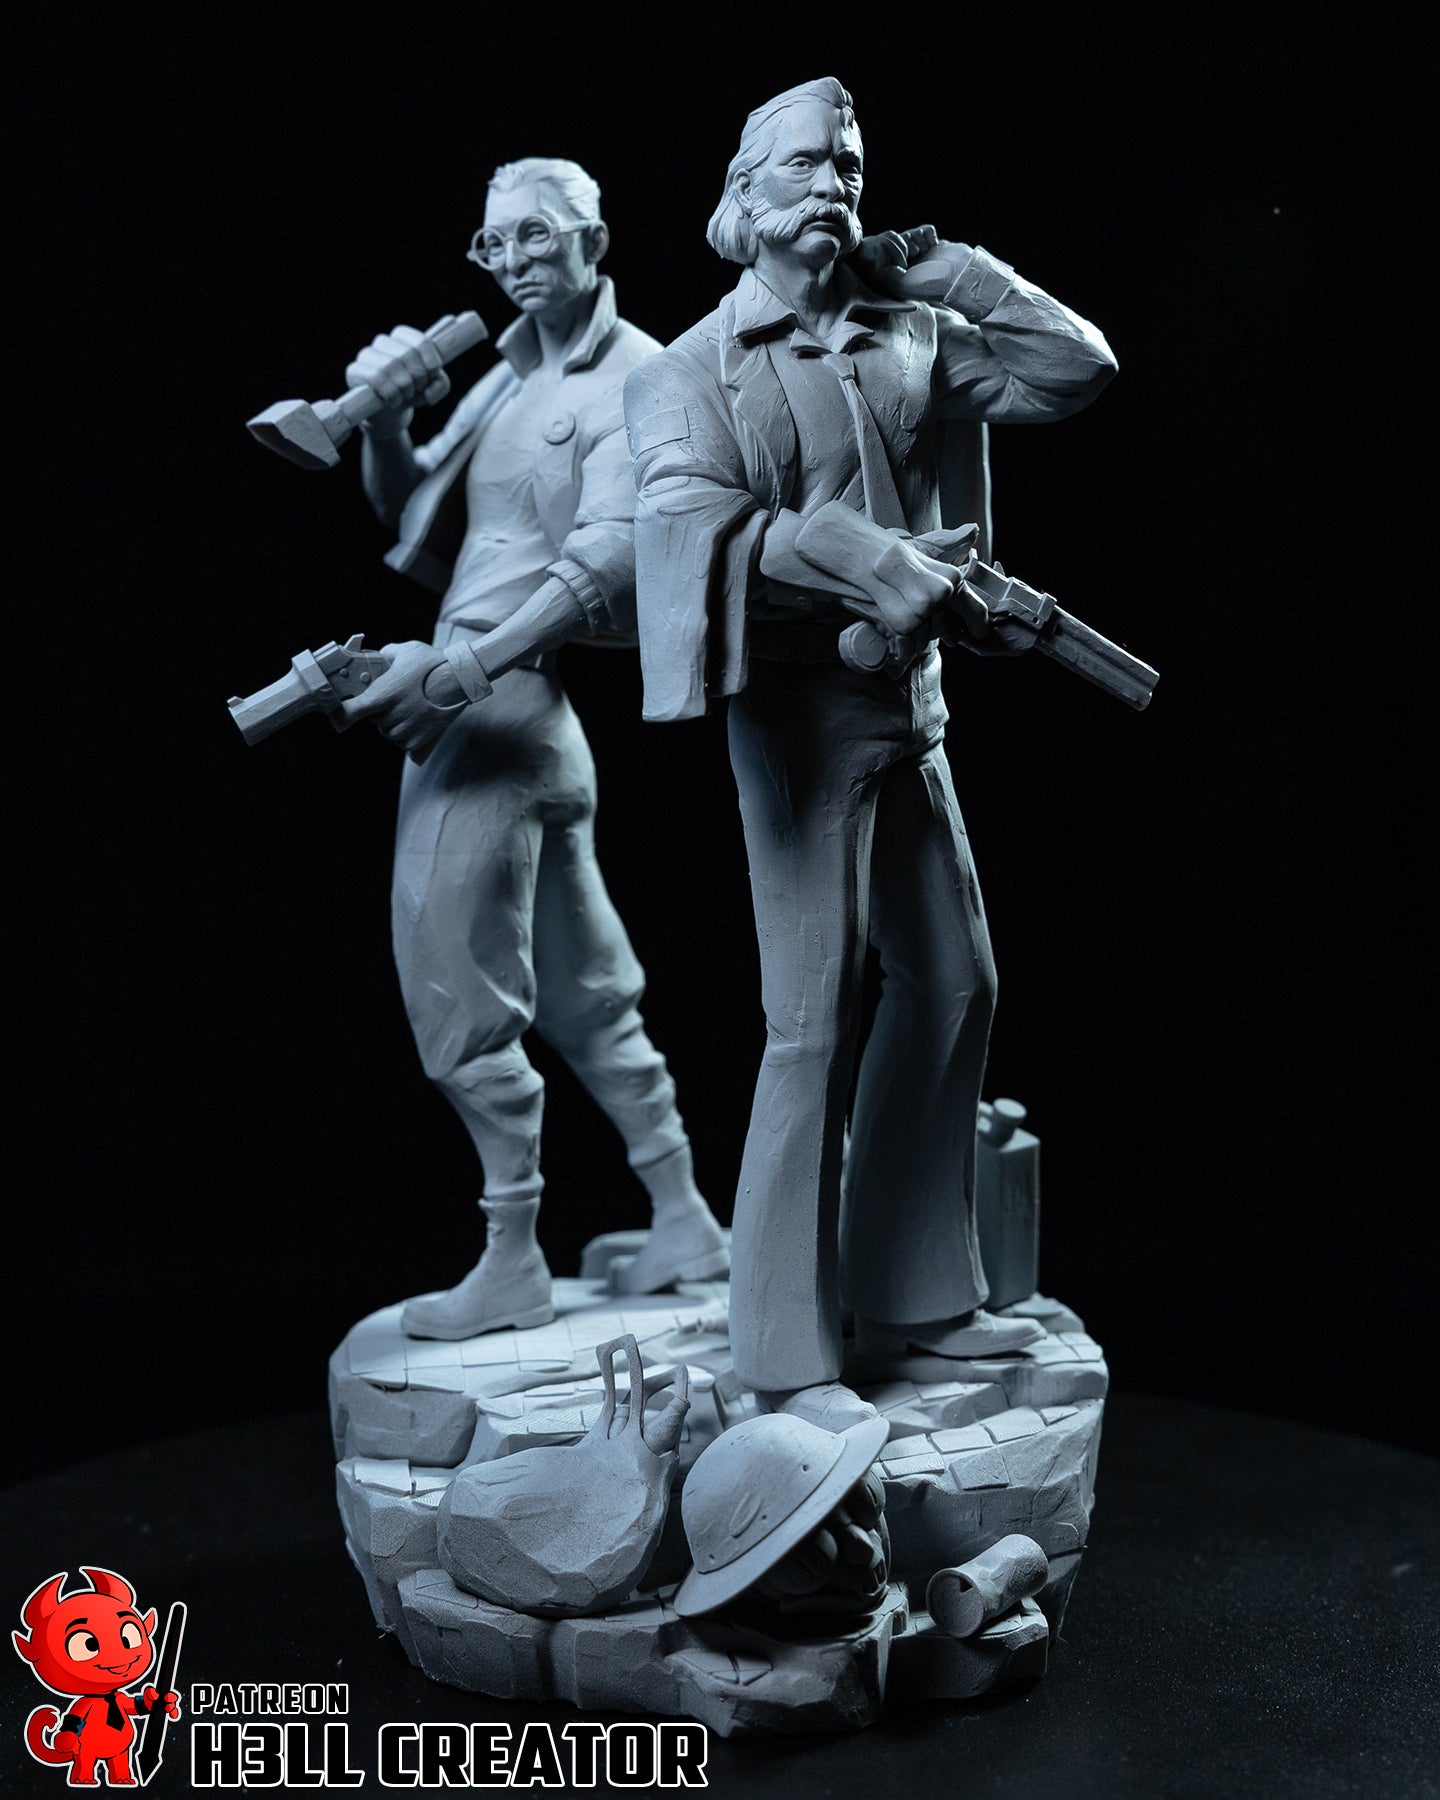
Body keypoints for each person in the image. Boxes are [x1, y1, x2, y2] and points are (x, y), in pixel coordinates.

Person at [623, 80, 1118, 1431]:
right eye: (804, 164)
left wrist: (954, 267)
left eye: (847, 164)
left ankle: (913, 1294)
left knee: (956, 985)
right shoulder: (689, 371)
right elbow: (683, 521)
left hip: (915, 709)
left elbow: (1075, 371)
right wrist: (851, 552)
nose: (833, 183)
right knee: (809, 1025)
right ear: (745, 193)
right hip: (801, 721)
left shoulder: (911, 331)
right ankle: (785, 1352)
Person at [340, 156, 725, 1339]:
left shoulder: (642, 376)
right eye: (493, 241)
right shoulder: (509, 372)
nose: (511, 260)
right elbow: (410, 508)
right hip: (510, 715)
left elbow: (613, 557)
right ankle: (685, 1219)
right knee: (585, 992)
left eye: (536, 236)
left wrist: (463, 669)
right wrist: (384, 418)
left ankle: (511, 1254)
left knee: (454, 990)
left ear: (593, 239)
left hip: (498, 714)